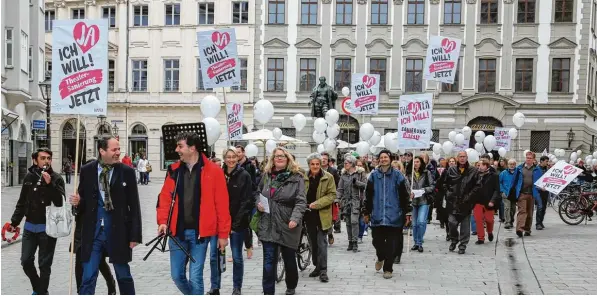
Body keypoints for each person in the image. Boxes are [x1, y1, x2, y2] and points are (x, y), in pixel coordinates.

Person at [156, 132, 230, 295]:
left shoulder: (214, 171)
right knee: (177, 275)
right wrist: (162, 221)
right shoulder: (174, 170)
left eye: (180, 146)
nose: (177, 150)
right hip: (176, 232)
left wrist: (223, 235)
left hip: (200, 234)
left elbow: (222, 205)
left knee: (195, 276)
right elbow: (164, 198)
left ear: (192, 148)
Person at [69, 137, 142, 295]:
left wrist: (134, 235)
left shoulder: (127, 172)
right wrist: (77, 202)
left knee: (123, 275)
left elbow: (134, 206)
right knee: (88, 276)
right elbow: (82, 203)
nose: (118, 152)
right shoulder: (87, 170)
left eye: (118, 149)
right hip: (93, 233)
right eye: (114, 150)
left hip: (118, 232)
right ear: (102, 151)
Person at [9, 148, 65, 295]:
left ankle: (40, 292)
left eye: (48, 158)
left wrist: (49, 184)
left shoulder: (57, 178)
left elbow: (60, 202)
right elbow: (22, 202)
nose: (46, 161)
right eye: (43, 158)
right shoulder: (28, 177)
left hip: (47, 228)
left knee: (44, 265)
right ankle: (39, 289)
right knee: (26, 261)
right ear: (35, 160)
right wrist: (14, 222)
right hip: (29, 227)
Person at [255, 147, 306, 295]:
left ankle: (291, 287)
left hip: (287, 223)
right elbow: (257, 192)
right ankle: (268, 292)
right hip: (268, 223)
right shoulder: (267, 175)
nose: (279, 158)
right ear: (273, 159)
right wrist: (258, 202)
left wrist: (295, 218)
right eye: (276, 156)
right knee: (269, 263)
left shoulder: (297, 177)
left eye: (282, 156)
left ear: (288, 158)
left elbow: (301, 201)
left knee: (289, 260)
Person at [209, 148, 253, 295]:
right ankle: (215, 287)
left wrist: (235, 225)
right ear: (224, 158)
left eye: (234, 157)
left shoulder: (244, 175)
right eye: (228, 157)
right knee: (215, 256)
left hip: (237, 223)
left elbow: (246, 201)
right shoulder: (218, 174)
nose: (231, 160)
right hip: (218, 222)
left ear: (238, 157)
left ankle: (237, 287)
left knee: (236, 256)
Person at [363, 150, 411, 279]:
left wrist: (408, 212)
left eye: (386, 157)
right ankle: (380, 256)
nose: (383, 159)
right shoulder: (373, 176)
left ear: (390, 159)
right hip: (377, 215)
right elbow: (368, 195)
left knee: (391, 244)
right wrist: (366, 212)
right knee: (376, 241)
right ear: (379, 160)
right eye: (381, 157)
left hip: (394, 215)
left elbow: (404, 196)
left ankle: (388, 268)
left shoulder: (398, 176)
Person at [436, 151, 478, 254]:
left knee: (465, 226)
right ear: (457, 158)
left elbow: (477, 185)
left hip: (466, 202)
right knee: (451, 223)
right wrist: (448, 192)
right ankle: (454, 239)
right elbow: (443, 183)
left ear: (467, 158)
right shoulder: (451, 169)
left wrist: (470, 196)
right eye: (460, 157)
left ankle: (462, 245)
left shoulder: (473, 170)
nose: (462, 158)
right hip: (453, 201)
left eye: (464, 156)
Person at [303, 153, 336, 283]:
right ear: (309, 165)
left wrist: (318, 203)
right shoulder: (304, 177)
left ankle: (323, 271)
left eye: (317, 164)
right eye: (313, 164)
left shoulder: (328, 177)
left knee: (322, 243)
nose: (315, 166)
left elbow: (332, 195)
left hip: (322, 214)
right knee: (313, 243)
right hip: (307, 214)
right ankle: (317, 265)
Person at [337, 154, 367, 252]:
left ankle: (355, 243)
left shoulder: (360, 174)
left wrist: (356, 182)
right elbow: (340, 189)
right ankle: (350, 242)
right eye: (344, 163)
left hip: (356, 201)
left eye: (347, 163)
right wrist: (338, 199)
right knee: (348, 223)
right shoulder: (343, 175)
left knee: (354, 221)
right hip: (346, 202)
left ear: (352, 163)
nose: (345, 164)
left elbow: (366, 186)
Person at [509, 151, 543, 237]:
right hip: (522, 193)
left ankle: (527, 229)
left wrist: (542, 187)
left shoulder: (537, 169)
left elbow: (541, 181)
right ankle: (519, 229)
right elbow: (513, 181)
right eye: (527, 158)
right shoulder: (519, 168)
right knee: (522, 211)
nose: (528, 159)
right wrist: (512, 191)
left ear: (533, 159)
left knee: (529, 213)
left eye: (530, 158)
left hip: (532, 194)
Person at [408, 156, 435, 253]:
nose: (416, 163)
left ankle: (420, 242)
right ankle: (416, 242)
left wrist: (423, 190)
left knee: (421, 222)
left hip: (424, 200)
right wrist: (409, 192)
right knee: (414, 224)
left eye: (418, 162)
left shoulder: (426, 172)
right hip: (413, 201)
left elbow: (432, 186)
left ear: (421, 163)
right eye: (414, 162)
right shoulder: (409, 174)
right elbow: (405, 186)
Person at [235, 145, 258, 260]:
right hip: (237, 199)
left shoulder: (249, 165)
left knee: (247, 223)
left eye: (239, 152)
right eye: (236, 153)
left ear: (243, 152)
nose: (237, 154)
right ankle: (239, 249)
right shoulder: (233, 164)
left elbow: (254, 183)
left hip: (248, 198)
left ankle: (249, 245)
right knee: (238, 225)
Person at [473, 159, 500, 244]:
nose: (479, 166)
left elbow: (496, 190)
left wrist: (492, 201)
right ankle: (481, 238)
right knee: (478, 220)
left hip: (489, 201)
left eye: (480, 165)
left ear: (486, 166)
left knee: (489, 220)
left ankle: (489, 231)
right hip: (477, 201)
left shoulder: (494, 176)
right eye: (478, 165)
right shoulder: (475, 175)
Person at [500, 159, 517, 229]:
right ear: (508, 165)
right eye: (510, 164)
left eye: (513, 164)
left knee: (513, 208)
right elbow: (499, 182)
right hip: (506, 193)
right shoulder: (503, 173)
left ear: (515, 165)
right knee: (507, 208)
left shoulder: (518, 173)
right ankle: (507, 222)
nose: (512, 165)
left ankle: (511, 220)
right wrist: (502, 191)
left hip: (514, 193)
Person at [355, 158, 370, 243]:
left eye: (360, 165)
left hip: (363, 199)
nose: (359, 167)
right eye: (357, 165)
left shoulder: (365, 175)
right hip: (355, 199)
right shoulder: (352, 173)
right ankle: (354, 236)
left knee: (361, 219)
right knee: (354, 220)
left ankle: (360, 235)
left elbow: (365, 185)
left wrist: (356, 182)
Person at [535, 156, 550, 230]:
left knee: (544, 207)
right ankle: (538, 223)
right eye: (546, 161)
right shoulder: (536, 169)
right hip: (538, 191)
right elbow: (534, 181)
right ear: (541, 161)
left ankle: (541, 222)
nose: (547, 163)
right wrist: (540, 188)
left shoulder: (548, 169)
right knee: (540, 207)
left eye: (548, 161)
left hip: (546, 191)